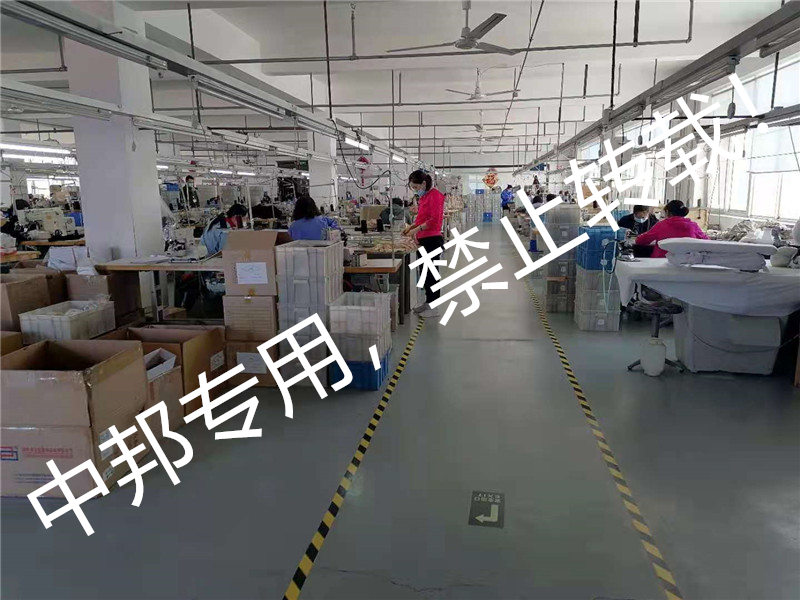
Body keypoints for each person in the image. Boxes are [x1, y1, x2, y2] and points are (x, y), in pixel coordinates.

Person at [403, 170, 445, 319]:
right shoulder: (424, 197)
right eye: (413, 188)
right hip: (423, 240)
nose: (415, 190)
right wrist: (411, 227)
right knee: (425, 274)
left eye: (416, 187)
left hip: (432, 240)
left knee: (432, 274)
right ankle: (428, 302)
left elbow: (434, 220)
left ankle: (435, 307)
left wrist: (416, 229)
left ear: (424, 183)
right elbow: (422, 218)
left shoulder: (435, 196)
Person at [635, 200, 707, 258]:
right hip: (686, 263)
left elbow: (641, 241)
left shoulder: (661, 225)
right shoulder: (693, 226)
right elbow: (707, 242)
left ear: (667, 212)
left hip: (661, 262)